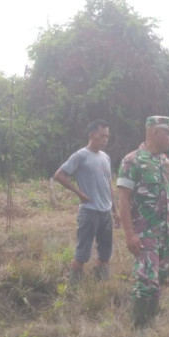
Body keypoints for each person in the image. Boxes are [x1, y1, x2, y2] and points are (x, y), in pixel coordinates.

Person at [116, 116, 169, 328]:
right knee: (146, 282)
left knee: (161, 279)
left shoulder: (165, 162)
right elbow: (124, 199)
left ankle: (153, 320)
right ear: (155, 132)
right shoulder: (132, 161)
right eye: (168, 133)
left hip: (165, 233)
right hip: (145, 235)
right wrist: (129, 234)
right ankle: (139, 329)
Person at [52, 120, 119, 285]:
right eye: (102, 135)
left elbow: (108, 184)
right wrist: (79, 193)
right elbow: (59, 175)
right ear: (91, 135)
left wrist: (115, 210)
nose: (105, 139)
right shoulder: (80, 155)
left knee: (105, 253)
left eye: (107, 136)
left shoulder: (105, 157)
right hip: (89, 212)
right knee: (82, 254)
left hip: (105, 213)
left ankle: (101, 283)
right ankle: (74, 286)